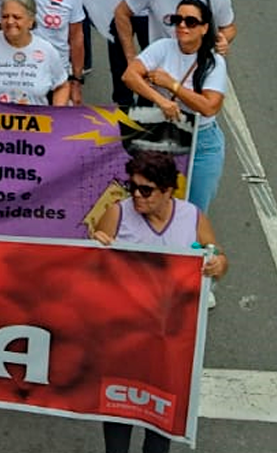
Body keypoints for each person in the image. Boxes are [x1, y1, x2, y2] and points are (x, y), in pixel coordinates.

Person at [91, 150, 228, 451]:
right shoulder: (117, 213)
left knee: (160, 424)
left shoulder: (192, 217)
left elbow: (216, 254)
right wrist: (96, 247)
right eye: (132, 187)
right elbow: (92, 271)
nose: (136, 196)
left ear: (168, 191)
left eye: (146, 190)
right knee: (118, 413)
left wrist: (218, 263)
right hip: (124, 336)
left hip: (169, 340)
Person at [122, 0, 228, 214]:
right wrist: (161, 101)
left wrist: (172, 85)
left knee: (193, 211)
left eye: (191, 21)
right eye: (177, 19)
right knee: (153, 204)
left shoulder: (214, 62)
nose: (182, 26)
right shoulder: (163, 47)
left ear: (204, 28)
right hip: (163, 134)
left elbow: (209, 107)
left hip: (201, 140)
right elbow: (130, 76)